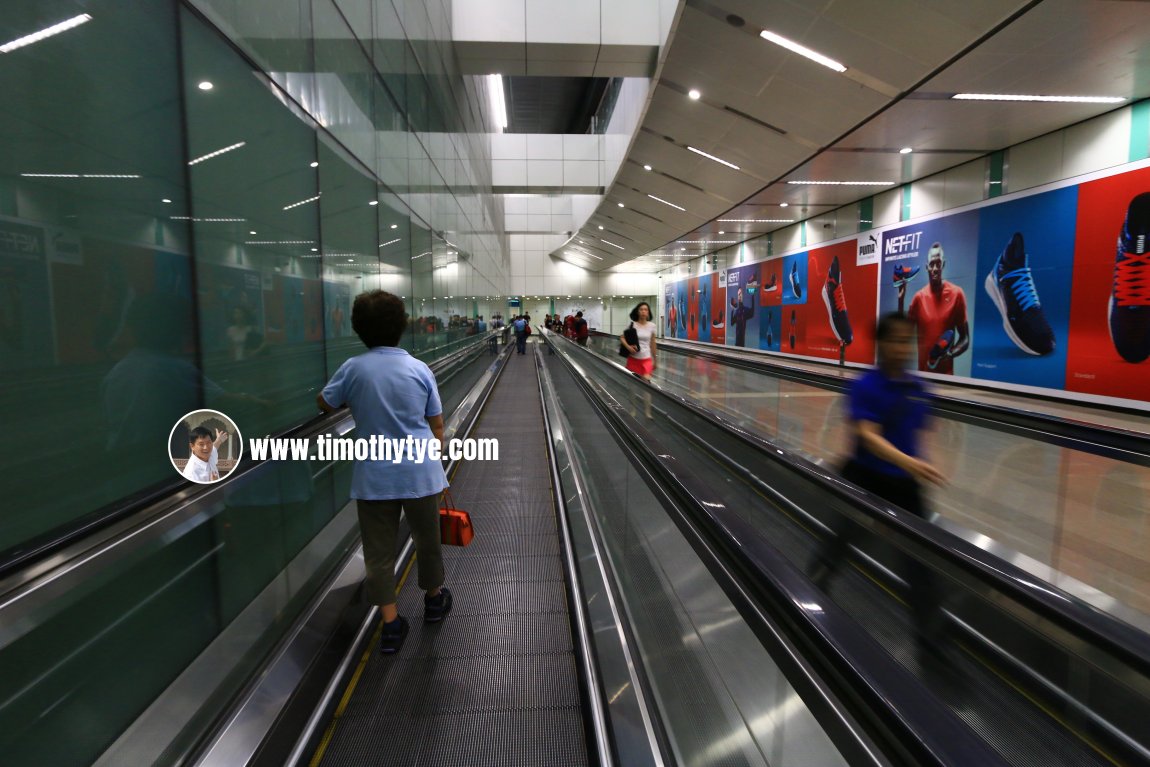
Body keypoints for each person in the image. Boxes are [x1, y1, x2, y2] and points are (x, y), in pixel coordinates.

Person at [317, 290, 452, 654]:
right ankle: (435, 600)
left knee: (378, 553)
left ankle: (391, 625)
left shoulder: (352, 368)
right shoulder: (418, 368)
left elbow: (325, 401)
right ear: (402, 326)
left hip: (374, 477)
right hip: (420, 473)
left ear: (359, 329)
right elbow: (436, 424)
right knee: (428, 540)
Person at [811, 313, 946, 651]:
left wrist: (919, 464)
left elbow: (917, 435)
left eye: (908, 341)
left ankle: (930, 633)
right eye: (896, 341)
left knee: (919, 560)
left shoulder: (918, 389)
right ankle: (817, 581)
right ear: (881, 343)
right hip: (866, 477)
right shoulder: (864, 386)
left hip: (905, 484)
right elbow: (869, 437)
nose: (903, 348)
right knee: (843, 538)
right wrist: (912, 463)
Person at [899, 242, 969, 374]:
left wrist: (948, 354)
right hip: (923, 375)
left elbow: (965, 338)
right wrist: (901, 300)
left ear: (943, 264)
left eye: (938, 263)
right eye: (932, 264)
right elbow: (903, 334)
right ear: (927, 267)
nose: (935, 268)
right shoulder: (919, 298)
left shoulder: (957, 294)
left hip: (947, 379)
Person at [621, 302, 657, 381]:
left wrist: (655, 360)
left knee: (646, 384)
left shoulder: (652, 326)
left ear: (648, 312)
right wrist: (628, 347)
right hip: (633, 359)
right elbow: (622, 337)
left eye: (645, 310)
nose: (643, 311)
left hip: (646, 359)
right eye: (641, 309)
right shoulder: (632, 325)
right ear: (637, 312)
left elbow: (653, 344)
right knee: (632, 386)